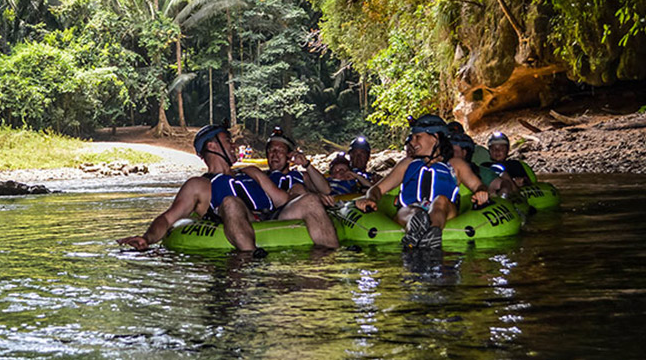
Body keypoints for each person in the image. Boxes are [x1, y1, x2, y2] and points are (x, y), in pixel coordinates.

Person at [117, 124, 339, 252]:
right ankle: (250, 261)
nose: (235, 145)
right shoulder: (199, 185)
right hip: (241, 220)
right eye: (228, 140)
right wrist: (147, 238)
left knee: (309, 201)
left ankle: (332, 260)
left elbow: (282, 200)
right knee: (231, 202)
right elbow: (167, 219)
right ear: (212, 146)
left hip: (271, 217)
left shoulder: (251, 171)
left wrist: (311, 195)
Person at [355, 114, 489, 251]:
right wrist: (370, 198)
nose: (412, 143)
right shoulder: (407, 164)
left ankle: (431, 234)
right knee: (409, 210)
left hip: (443, 210)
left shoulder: (455, 165)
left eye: (418, 137)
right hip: (412, 210)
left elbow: (478, 185)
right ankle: (416, 230)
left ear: (435, 138)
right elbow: (377, 189)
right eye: (412, 138)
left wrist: (481, 192)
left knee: (440, 201)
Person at [264, 127, 333, 204]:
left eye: (280, 150)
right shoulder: (261, 177)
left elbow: (326, 190)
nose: (275, 154)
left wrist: (307, 165)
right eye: (271, 150)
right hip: (271, 213)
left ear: (289, 155)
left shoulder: (301, 176)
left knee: (298, 188)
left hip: (296, 211)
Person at [449, 132, 515, 196]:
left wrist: (503, 191)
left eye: (453, 150)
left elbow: (503, 183)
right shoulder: (442, 168)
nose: (449, 153)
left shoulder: (479, 171)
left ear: (464, 152)